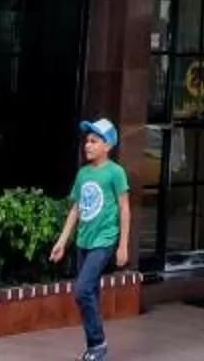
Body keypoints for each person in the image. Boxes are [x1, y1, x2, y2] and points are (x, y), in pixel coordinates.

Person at [47, 118, 131, 361]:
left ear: (108, 145)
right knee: (90, 294)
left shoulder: (116, 173)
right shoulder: (83, 173)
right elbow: (76, 210)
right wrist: (62, 241)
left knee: (82, 291)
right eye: (87, 141)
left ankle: (98, 344)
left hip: (104, 241)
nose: (88, 145)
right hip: (84, 241)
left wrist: (123, 245)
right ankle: (94, 348)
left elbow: (125, 209)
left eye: (94, 141)